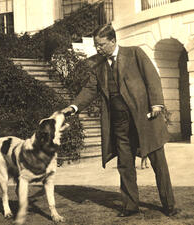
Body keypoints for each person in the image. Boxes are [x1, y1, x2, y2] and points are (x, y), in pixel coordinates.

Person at [62, 23, 179, 217]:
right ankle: (130, 206)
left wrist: (157, 103)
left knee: (159, 164)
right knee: (125, 165)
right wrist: (73, 107)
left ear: (113, 41)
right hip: (119, 123)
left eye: (101, 44)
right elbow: (90, 89)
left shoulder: (134, 53)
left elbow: (152, 78)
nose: (97, 49)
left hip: (145, 119)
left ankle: (169, 205)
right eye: (96, 45)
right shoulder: (97, 65)